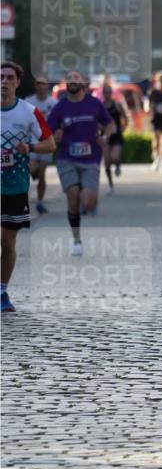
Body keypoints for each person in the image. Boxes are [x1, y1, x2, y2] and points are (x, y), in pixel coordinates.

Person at [1, 61, 55, 313]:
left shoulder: (28, 112)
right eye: (0, 77)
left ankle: (2, 292)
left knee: (8, 242)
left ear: (17, 83)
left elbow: (50, 143)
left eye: (9, 78)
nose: (4, 82)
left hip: (15, 186)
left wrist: (30, 148)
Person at [47, 71, 113, 255]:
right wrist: (55, 135)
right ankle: (76, 240)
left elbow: (109, 123)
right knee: (73, 197)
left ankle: (91, 202)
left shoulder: (94, 104)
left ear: (83, 83)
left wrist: (106, 137)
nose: (72, 81)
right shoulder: (60, 107)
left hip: (91, 159)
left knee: (89, 202)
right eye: (69, 78)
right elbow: (49, 130)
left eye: (76, 78)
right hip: (66, 158)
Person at [25, 74, 57, 214]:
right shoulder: (28, 101)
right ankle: (34, 173)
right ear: (35, 86)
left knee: (42, 173)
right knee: (32, 170)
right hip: (31, 141)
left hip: (46, 141)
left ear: (47, 86)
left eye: (43, 83)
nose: (40, 86)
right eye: (38, 83)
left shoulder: (54, 103)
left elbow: (57, 122)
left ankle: (39, 202)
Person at [100, 84, 128, 192]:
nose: (107, 94)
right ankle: (110, 185)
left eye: (108, 92)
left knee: (114, 157)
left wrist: (123, 128)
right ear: (102, 93)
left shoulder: (117, 105)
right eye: (105, 92)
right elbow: (96, 120)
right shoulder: (100, 106)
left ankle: (117, 165)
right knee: (106, 162)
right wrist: (99, 127)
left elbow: (125, 118)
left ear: (111, 93)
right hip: (106, 136)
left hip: (116, 136)